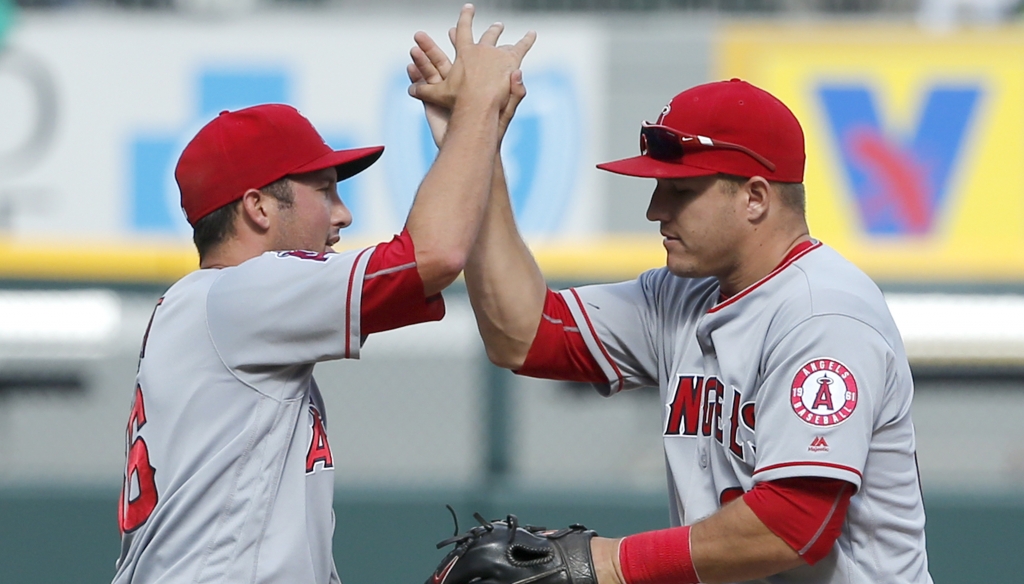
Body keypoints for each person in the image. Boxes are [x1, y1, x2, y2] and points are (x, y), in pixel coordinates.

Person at [408, 33, 932, 584]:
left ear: (755, 198)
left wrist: (608, 562)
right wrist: (477, 148)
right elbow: (524, 335)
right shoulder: (683, 293)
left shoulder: (823, 315)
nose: (657, 209)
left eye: (681, 192)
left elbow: (791, 526)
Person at [111, 7, 535, 583]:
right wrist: (477, 114)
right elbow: (432, 257)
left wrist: (471, 138)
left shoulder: (214, 311)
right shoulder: (243, 294)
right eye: (325, 190)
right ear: (258, 206)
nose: (343, 213)